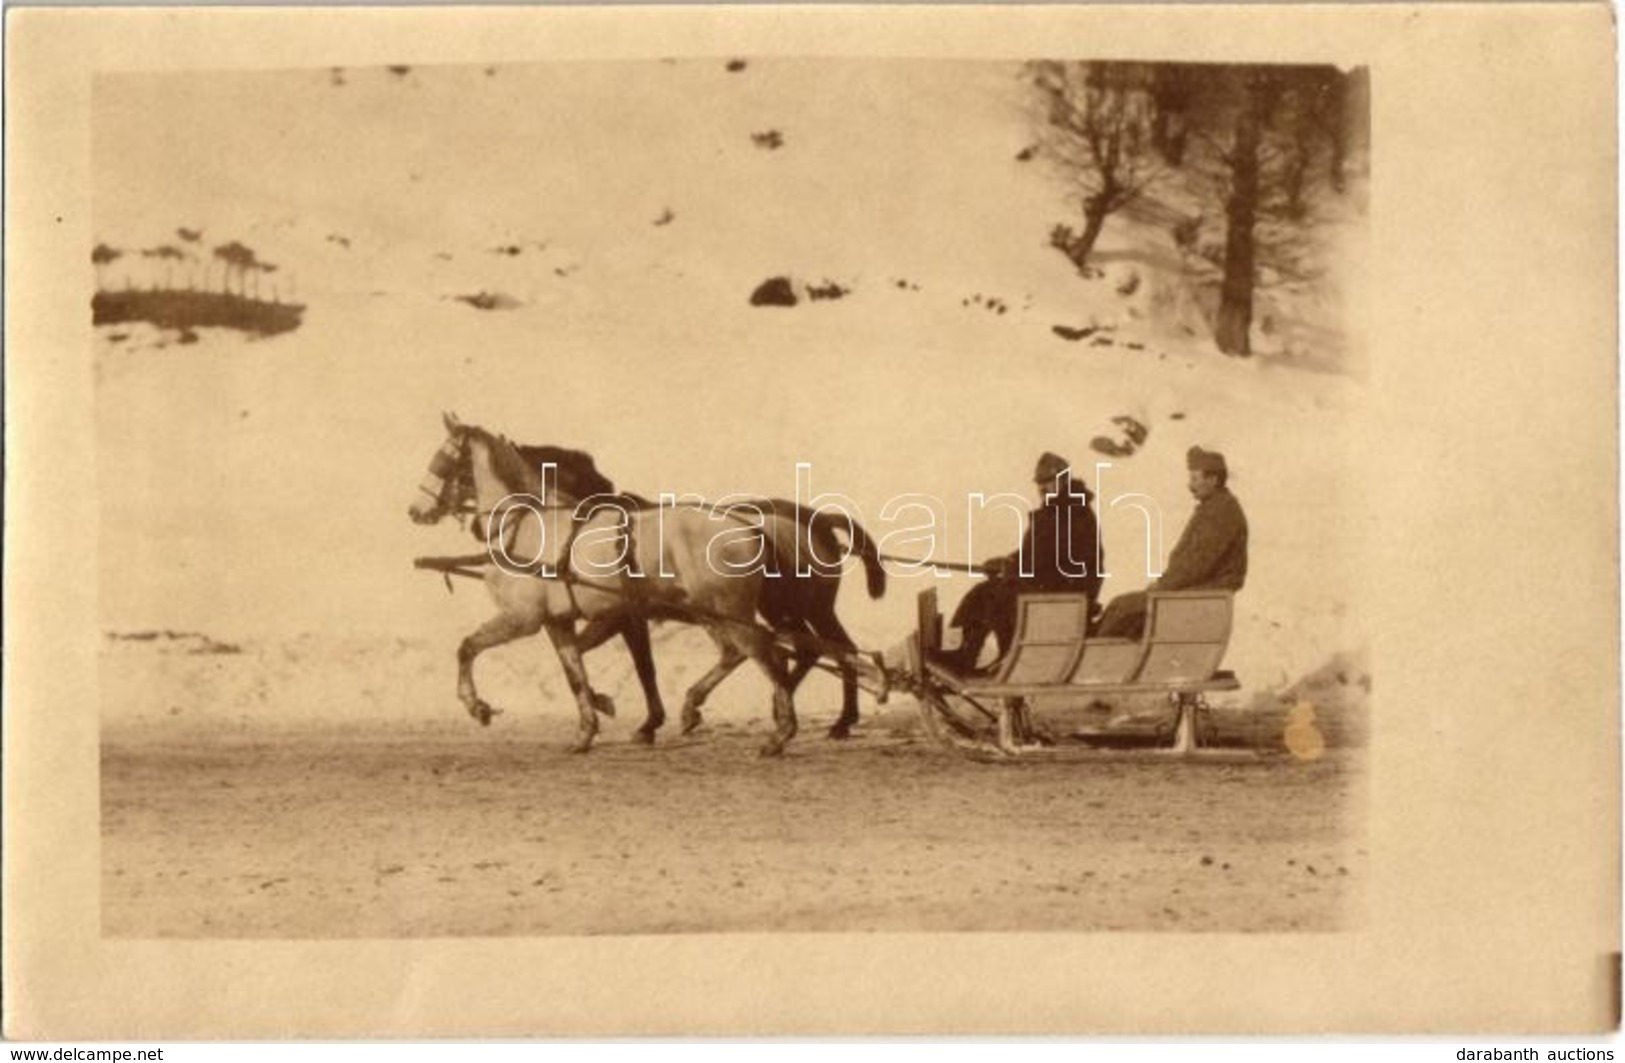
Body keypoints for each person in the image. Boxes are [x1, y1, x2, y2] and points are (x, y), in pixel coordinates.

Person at [941, 451, 1104, 674]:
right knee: (983, 593)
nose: (1042, 488)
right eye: (1040, 483)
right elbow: (1036, 553)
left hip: (1066, 595)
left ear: (1064, 479)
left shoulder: (1072, 513)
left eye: (1048, 482)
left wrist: (1012, 568)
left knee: (993, 595)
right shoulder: (1060, 509)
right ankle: (962, 655)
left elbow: (1052, 561)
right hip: (1057, 592)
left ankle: (994, 658)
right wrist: (1008, 561)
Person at [1094, 445, 1248, 640]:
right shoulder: (1217, 508)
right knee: (1121, 608)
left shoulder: (1220, 513)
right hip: (1193, 594)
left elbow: (1196, 564)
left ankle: (1098, 660)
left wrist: (1163, 585)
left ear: (1213, 480)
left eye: (1195, 478)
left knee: (1123, 608)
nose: (1190, 485)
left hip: (1196, 596)